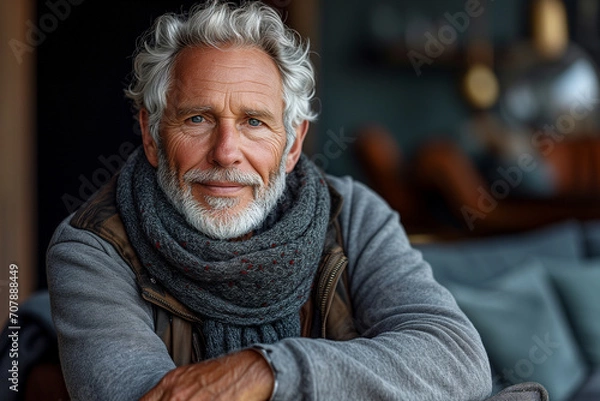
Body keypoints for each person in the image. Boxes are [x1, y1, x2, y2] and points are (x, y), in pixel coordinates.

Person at [46, 1, 492, 400]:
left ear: (293, 143)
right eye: (197, 118)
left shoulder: (354, 215)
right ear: (151, 134)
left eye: (254, 122)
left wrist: (269, 371)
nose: (225, 152)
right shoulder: (91, 250)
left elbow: (457, 360)